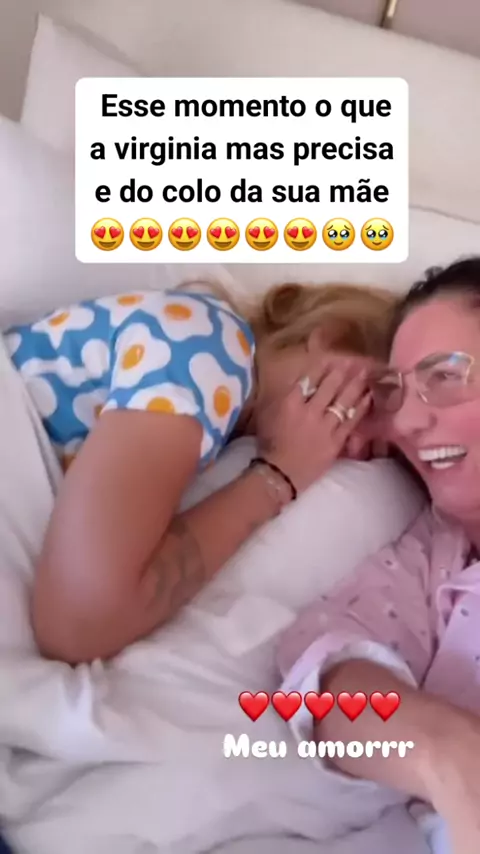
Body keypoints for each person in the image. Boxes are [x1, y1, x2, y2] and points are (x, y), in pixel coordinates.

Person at [3, 280, 395, 665]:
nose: (355, 444)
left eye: (377, 451)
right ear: (333, 335)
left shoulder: (220, 406)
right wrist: (279, 474)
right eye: (372, 403)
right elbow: (78, 622)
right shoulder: (210, 349)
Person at [277, 257, 480, 854]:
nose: (408, 421)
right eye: (394, 392)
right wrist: (449, 753)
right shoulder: (433, 558)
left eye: (446, 376)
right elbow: (327, 676)